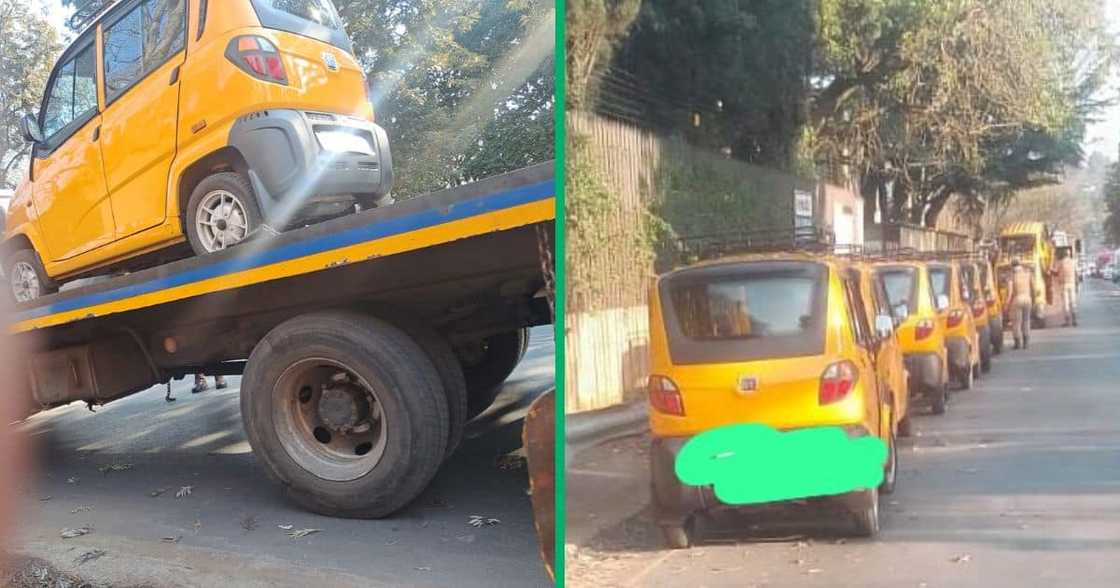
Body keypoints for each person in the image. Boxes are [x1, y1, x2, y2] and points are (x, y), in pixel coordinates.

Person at [1006, 258, 1035, 349]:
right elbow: (1033, 287)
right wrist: (1033, 299)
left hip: (1017, 299)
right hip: (1027, 298)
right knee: (1026, 321)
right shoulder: (1027, 273)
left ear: (1012, 266)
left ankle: (1017, 343)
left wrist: (1007, 303)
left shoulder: (1012, 276)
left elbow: (1010, 292)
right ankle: (1026, 342)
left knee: (1016, 322)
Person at [1053, 249, 1079, 326]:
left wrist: (1049, 270)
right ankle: (1074, 320)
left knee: (1066, 303)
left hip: (1063, 285)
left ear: (1063, 255)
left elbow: (1055, 272)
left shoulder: (1061, 262)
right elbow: (1076, 273)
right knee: (1073, 302)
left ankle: (1067, 321)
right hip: (1072, 284)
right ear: (1069, 254)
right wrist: (1077, 284)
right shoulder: (1073, 262)